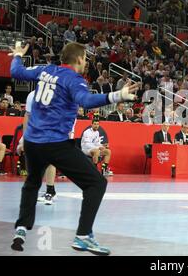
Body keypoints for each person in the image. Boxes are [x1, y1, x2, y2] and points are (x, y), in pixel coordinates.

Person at [9, 41, 139, 255]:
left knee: (32, 182)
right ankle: (83, 236)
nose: (86, 63)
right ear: (79, 59)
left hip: (32, 141)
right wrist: (117, 96)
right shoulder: (73, 79)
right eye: (86, 59)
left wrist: (16, 54)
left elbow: (17, 71)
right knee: (96, 184)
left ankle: (21, 228)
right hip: (54, 143)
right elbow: (86, 100)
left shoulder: (44, 69)